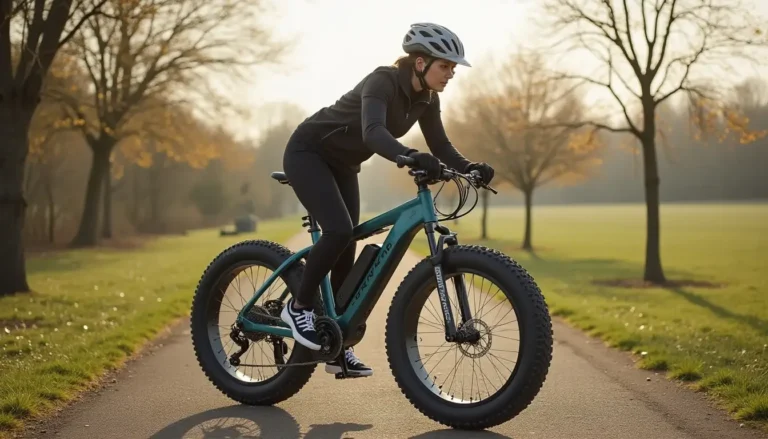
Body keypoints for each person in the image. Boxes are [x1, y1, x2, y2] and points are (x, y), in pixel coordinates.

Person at [279, 22, 495, 377]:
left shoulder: (427, 99)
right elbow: (373, 132)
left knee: (346, 239)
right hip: (308, 152)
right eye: (446, 66)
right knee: (337, 231)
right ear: (421, 62)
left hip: (344, 163)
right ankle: (299, 307)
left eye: (454, 69)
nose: (451, 74)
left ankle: (332, 341)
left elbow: (440, 146)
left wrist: (469, 167)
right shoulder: (383, 81)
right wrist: (410, 154)